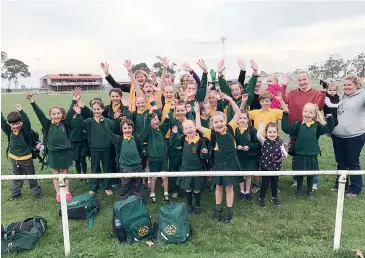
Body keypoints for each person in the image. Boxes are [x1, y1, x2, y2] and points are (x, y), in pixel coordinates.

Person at [195, 92, 241, 223]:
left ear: (226, 121)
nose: (219, 124)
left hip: (231, 163)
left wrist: (230, 100)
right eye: (216, 122)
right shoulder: (211, 133)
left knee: (229, 188)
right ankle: (217, 208)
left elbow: (238, 113)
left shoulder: (231, 128)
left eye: (221, 121)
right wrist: (197, 112)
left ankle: (228, 211)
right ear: (212, 124)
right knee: (219, 187)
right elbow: (198, 126)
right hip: (218, 164)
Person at [281, 71, 326, 189]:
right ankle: (296, 179)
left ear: (309, 79)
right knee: (296, 155)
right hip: (295, 128)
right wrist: (284, 85)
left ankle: (314, 182)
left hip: (311, 128)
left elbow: (320, 107)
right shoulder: (292, 93)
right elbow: (283, 99)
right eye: (299, 80)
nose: (302, 82)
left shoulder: (316, 93)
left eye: (304, 79)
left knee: (312, 156)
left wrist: (323, 92)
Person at [282, 102, 335, 199]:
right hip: (299, 154)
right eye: (306, 111)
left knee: (311, 173)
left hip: (312, 154)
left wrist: (330, 118)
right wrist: (285, 114)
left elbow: (329, 128)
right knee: (299, 173)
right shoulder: (297, 125)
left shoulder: (317, 126)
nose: (307, 114)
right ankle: (299, 190)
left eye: (311, 112)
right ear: (302, 112)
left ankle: (310, 192)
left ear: (314, 115)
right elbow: (285, 128)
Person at [27, 93, 73, 202]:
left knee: (65, 173)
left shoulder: (65, 123)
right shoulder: (47, 124)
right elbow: (39, 114)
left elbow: (71, 113)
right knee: (56, 173)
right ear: (50, 115)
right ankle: (58, 192)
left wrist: (74, 100)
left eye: (58, 114)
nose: (56, 116)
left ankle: (66, 191)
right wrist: (32, 101)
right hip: (53, 153)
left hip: (65, 152)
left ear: (62, 115)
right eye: (54, 114)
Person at [331, 75, 365, 198]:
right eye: (345, 85)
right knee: (341, 162)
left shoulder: (362, 96)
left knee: (353, 162)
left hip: (355, 136)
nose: (346, 87)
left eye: (349, 85)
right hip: (338, 135)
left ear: (357, 85)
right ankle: (341, 185)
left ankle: (355, 189)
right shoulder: (341, 96)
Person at [1, 106, 42, 201]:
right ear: (10, 124)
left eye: (18, 123)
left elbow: (27, 122)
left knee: (31, 176)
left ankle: (36, 192)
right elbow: (2, 123)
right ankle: (16, 194)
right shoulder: (9, 131)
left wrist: (21, 112)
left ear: (21, 122)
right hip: (14, 159)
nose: (15, 126)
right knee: (16, 177)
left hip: (26, 158)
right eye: (13, 124)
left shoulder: (25, 130)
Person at [99, 117, 143, 199]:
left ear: (133, 129)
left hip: (137, 166)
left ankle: (137, 199)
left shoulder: (137, 138)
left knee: (137, 184)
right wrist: (102, 123)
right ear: (121, 130)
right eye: (125, 128)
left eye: (129, 128)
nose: (127, 130)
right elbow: (109, 133)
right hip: (125, 167)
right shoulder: (118, 139)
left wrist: (148, 118)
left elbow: (145, 130)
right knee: (125, 185)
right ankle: (125, 199)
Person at [170, 121, 209, 214]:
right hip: (186, 168)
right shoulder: (183, 139)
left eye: (190, 127)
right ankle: (189, 205)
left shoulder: (200, 141)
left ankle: (198, 205)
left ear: (195, 128)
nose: (189, 130)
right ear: (183, 131)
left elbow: (204, 157)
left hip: (197, 168)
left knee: (196, 188)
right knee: (188, 188)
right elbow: (174, 144)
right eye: (186, 128)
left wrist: (204, 153)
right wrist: (174, 134)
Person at [83, 99, 117, 196]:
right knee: (95, 168)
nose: (96, 111)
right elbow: (80, 125)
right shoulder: (89, 121)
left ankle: (107, 187)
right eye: (94, 109)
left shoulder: (108, 122)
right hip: (94, 149)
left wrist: (117, 119)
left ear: (102, 110)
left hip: (106, 149)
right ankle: (94, 186)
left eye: (98, 109)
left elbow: (115, 129)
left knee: (107, 168)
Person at [139, 107, 171, 203]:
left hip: (163, 157)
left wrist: (168, 118)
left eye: (158, 119)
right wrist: (149, 113)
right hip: (153, 159)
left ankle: (166, 193)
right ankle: (152, 193)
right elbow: (146, 123)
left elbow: (166, 124)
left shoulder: (161, 130)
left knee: (165, 176)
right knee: (154, 177)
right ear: (150, 122)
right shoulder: (148, 132)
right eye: (154, 119)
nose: (157, 120)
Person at [229, 109, 261, 201]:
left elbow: (257, 143)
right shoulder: (234, 131)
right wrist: (237, 147)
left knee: (248, 175)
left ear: (248, 119)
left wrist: (249, 147)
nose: (242, 120)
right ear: (237, 120)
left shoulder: (252, 130)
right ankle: (242, 191)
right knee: (240, 174)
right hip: (239, 157)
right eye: (240, 118)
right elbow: (232, 143)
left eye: (244, 118)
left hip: (250, 157)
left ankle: (247, 191)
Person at [256, 121, 286, 207]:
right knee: (265, 184)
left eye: (274, 132)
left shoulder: (280, 142)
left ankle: (274, 197)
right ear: (266, 133)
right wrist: (261, 126)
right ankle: (261, 198)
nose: (272, 134)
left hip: (276, 167)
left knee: (275, 183)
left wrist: (284, 156)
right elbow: (258, 135)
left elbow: (284, 152)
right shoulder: (264, 141)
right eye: (270, 132)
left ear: (277, 132)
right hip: (266, 167)